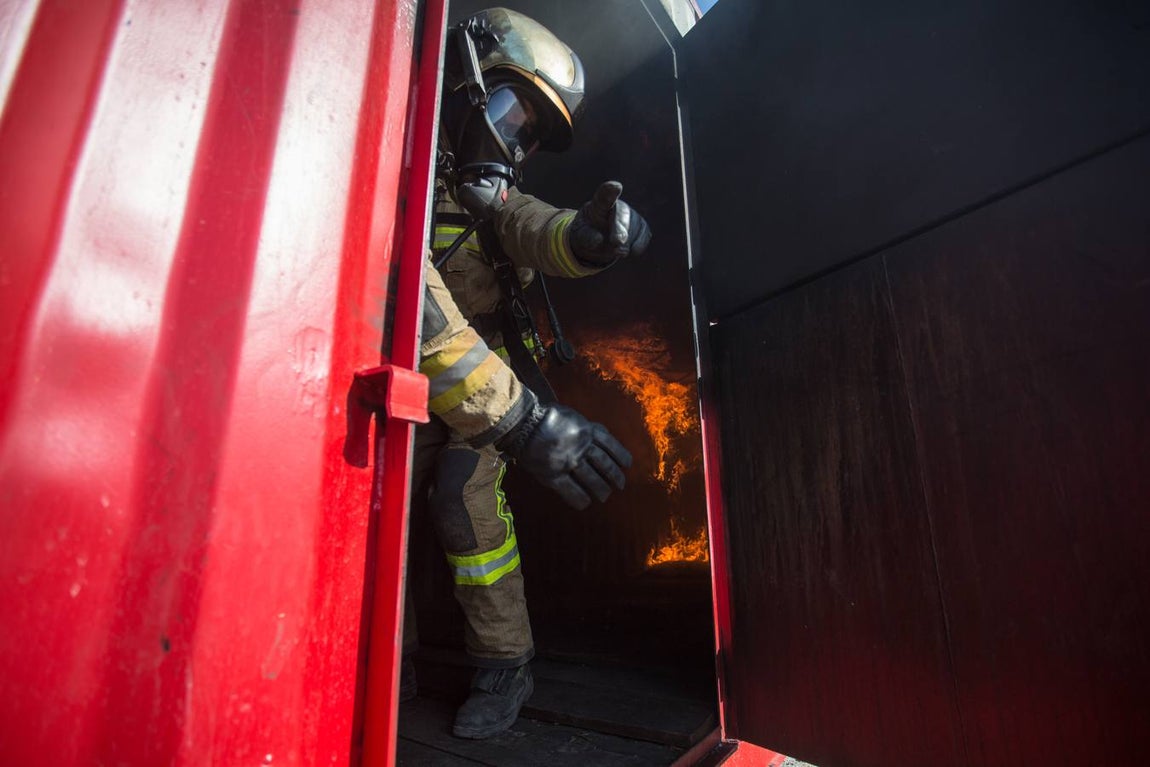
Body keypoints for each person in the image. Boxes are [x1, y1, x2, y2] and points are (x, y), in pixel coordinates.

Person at [402, 7, 653, 740]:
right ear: (463, 87)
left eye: (530, 135)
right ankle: (393, 656)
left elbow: (528, 225)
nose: (515, 143)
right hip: (427, 372)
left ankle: (506, 662)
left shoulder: (484, 189)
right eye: (512, 114)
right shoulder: (392, 166)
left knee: (462, 493)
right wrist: (529, 423)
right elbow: (411, 306)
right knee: (380, 501)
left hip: (484, 371)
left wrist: (587, 237)